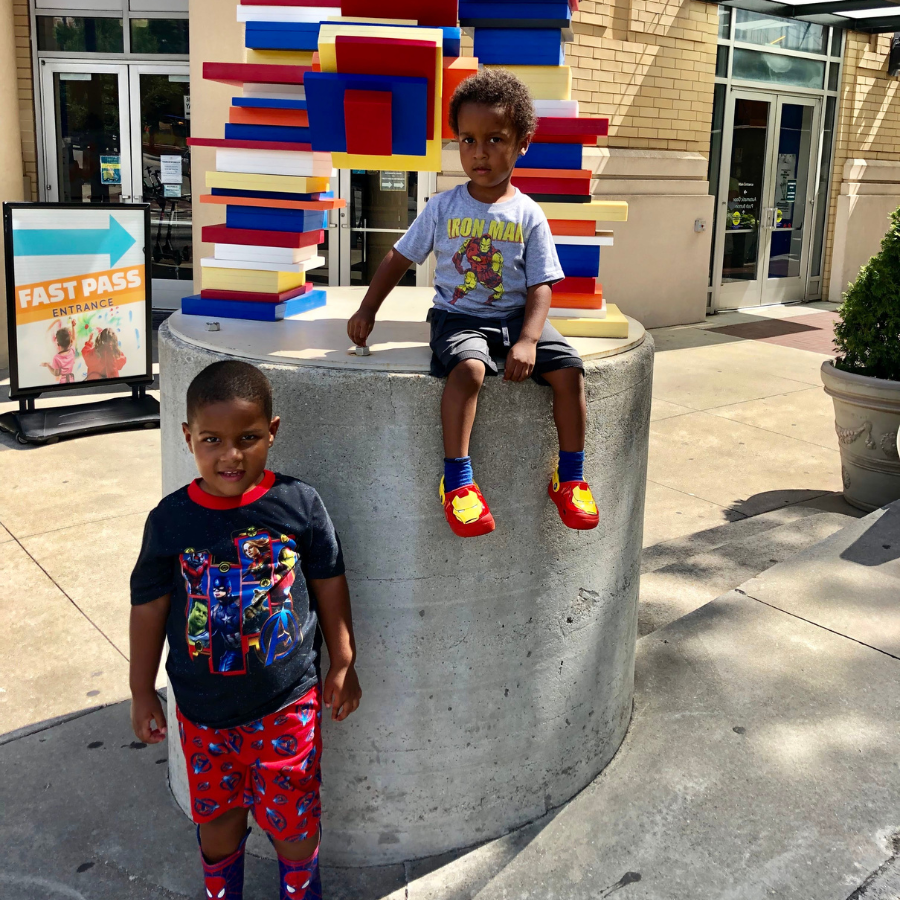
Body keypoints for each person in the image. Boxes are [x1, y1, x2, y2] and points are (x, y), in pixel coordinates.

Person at [129, 359, 362, 900]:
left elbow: (330, 583)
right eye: (212, 439)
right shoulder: (170, 522)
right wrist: (142, 691)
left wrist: (345, 660)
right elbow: (149, 608)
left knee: (294, 824)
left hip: (286, 707)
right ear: (188, 437)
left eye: (248, 438)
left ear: (272, 433)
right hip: (203, 713)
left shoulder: (299, 505)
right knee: (217, 822)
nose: (230, 455)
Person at [347, 68, 599, 538]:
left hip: (517, 317)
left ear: (523, 142)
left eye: (495, 139)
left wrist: (528, 339)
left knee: (569, 370)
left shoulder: (528, 213)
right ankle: (459, 482)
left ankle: (571, 476)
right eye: (467, 139)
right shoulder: (442, 207)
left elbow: (543, 284)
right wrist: (368, 309)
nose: (479, 152)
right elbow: (398, 258)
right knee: (470, 370)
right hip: (458, 316)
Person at [41, 319, 77, 384]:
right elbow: (74, 339)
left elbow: (56, 373)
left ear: (58, 344)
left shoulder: (57, 358)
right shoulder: (72, 351)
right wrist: (73, 326)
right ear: (70, 341)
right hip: (71, 380)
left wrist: (47, 365)